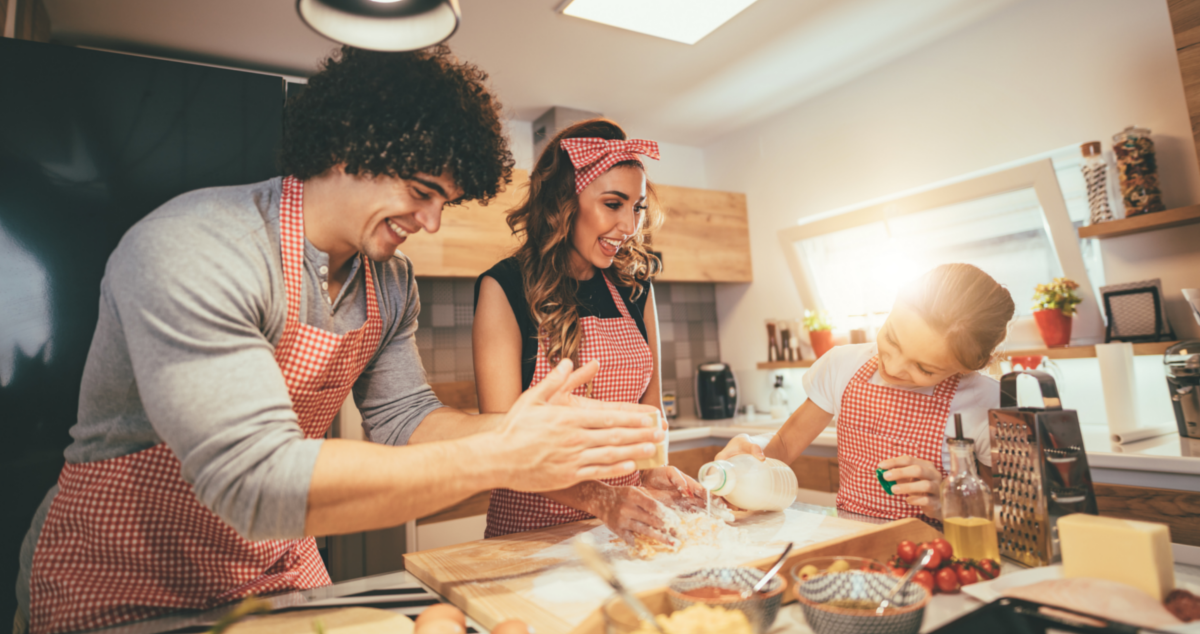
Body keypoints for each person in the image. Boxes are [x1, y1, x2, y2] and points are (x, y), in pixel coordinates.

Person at [17, 47, 663, 634]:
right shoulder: (198, 247)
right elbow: (256, 482)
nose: (432, 223)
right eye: (421, 193)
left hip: (272, 574)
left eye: (447, 201)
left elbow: (407, 419)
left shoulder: (387, 284)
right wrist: (501, 458)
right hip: (122, 584)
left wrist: (566, 472)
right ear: (351, 148)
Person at [473, 119, 705, 545]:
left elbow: (649, 413)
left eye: (635, 207)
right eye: (613, 204)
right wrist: (601, 499)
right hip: (530, 535)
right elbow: (501, 445)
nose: (630, 226)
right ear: (565, 202)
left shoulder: (636, 288)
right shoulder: (504, 287)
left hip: (622, 528)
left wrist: (654, 471)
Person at [717, 264, 1014, 521]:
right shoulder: (842, 365)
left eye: (924, 368)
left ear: (970, 367)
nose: (893, 366)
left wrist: (946, 502)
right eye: (892, 339)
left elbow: (1007, 512)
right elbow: (782, 445)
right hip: (852, 544)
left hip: (939, 559)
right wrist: (751, 449)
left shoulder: (987, 403)